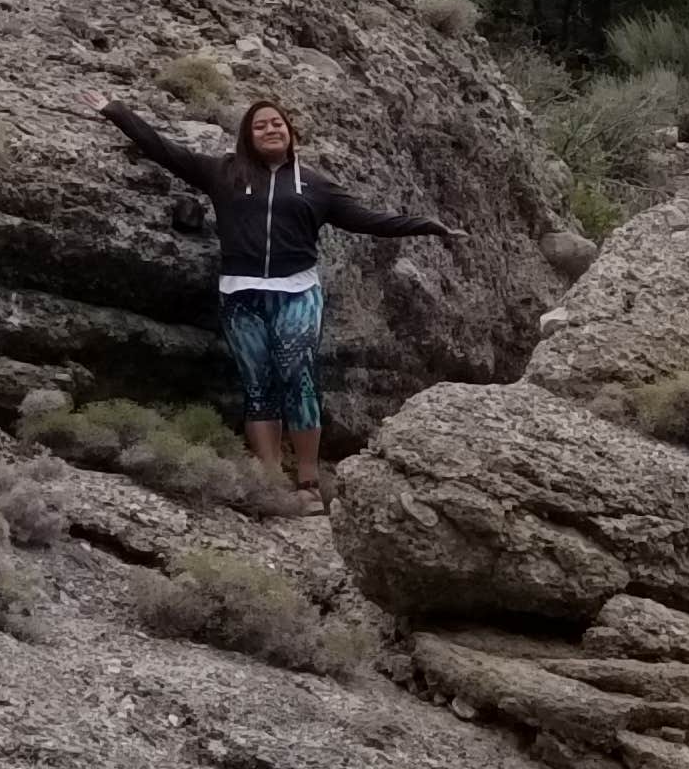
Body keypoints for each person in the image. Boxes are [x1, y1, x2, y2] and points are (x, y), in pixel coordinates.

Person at [96, 91, 447, 503]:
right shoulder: (223, 173)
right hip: (241, 295)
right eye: (259, 125)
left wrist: (426, 225)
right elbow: (164, 150)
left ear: (290, 132)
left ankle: (309, 481)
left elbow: (368, 219)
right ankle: (269, 480)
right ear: (248, 136)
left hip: (297, 292)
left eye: (276, 123)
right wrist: (116, 112)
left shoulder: (315, 185)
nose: (269, 129)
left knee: (298, 378)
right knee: (257, 385)